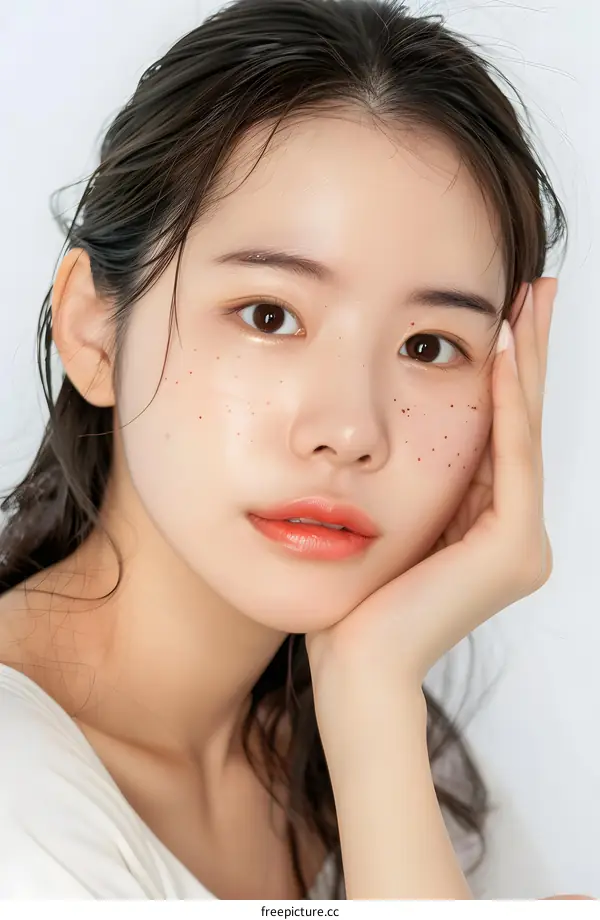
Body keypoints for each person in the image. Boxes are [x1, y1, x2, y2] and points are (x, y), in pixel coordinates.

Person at [0, 0, 592, 902]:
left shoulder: (377, 743)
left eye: (430, 347)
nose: (351, 431)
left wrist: (371, 690)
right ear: (93, 327)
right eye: (270, 316)